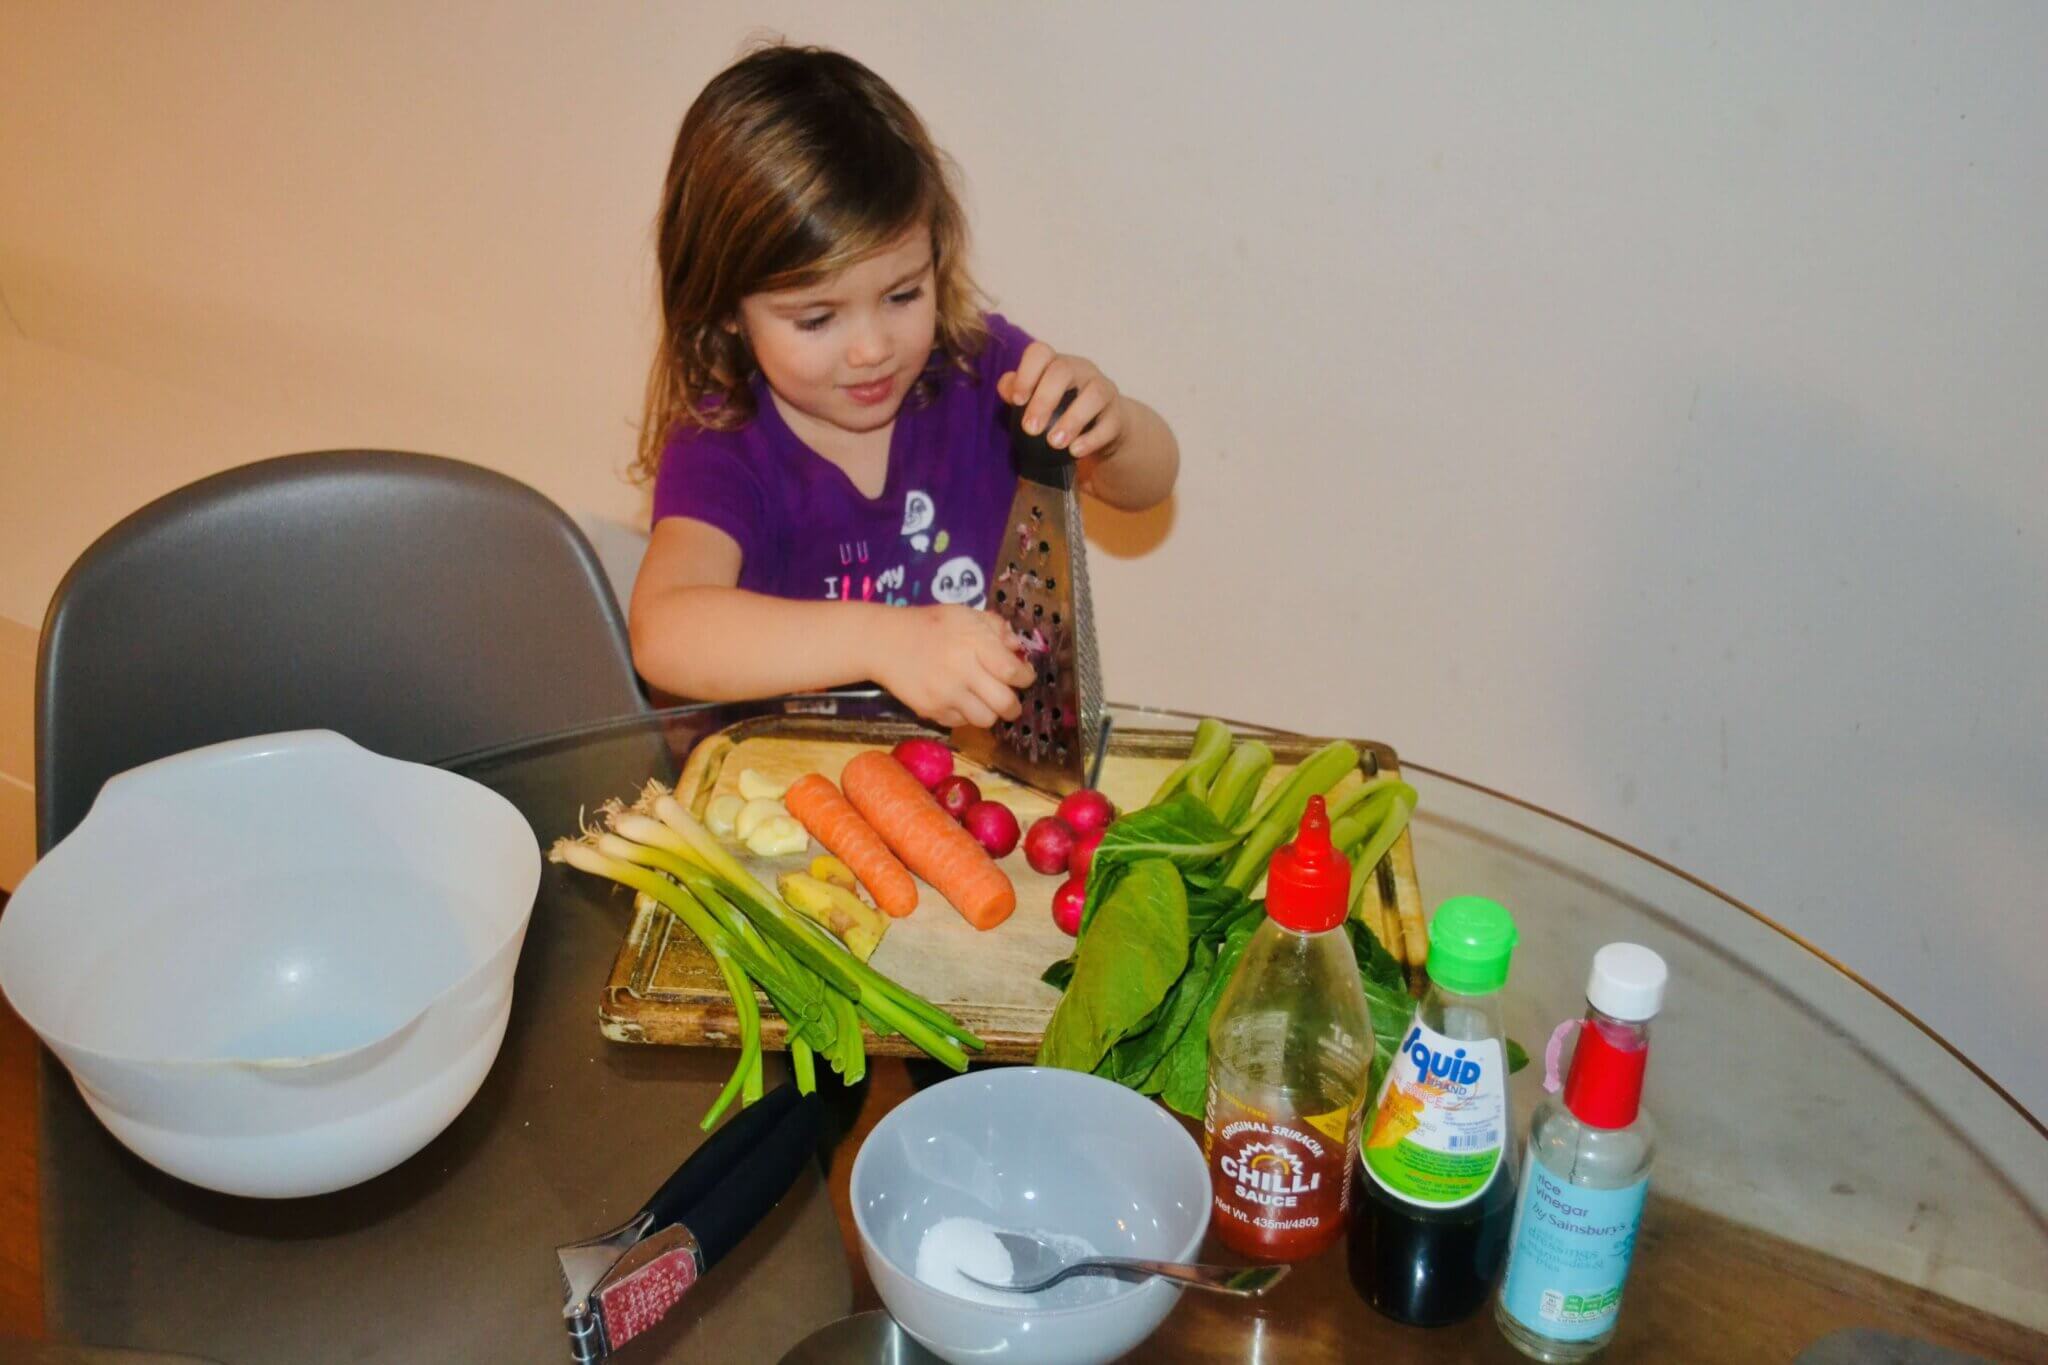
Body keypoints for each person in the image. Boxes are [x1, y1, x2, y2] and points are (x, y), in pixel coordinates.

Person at [628, 44, 1179, 729]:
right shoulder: (722, 441)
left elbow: (1149, 482)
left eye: (903, 294)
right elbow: (663, 631)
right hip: (790, 816)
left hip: (985, 798)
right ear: (725, 312)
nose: (872, 349)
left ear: (936, 260)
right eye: (817, 317)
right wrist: (886, 639)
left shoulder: (985, 373)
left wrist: (1116, 425)